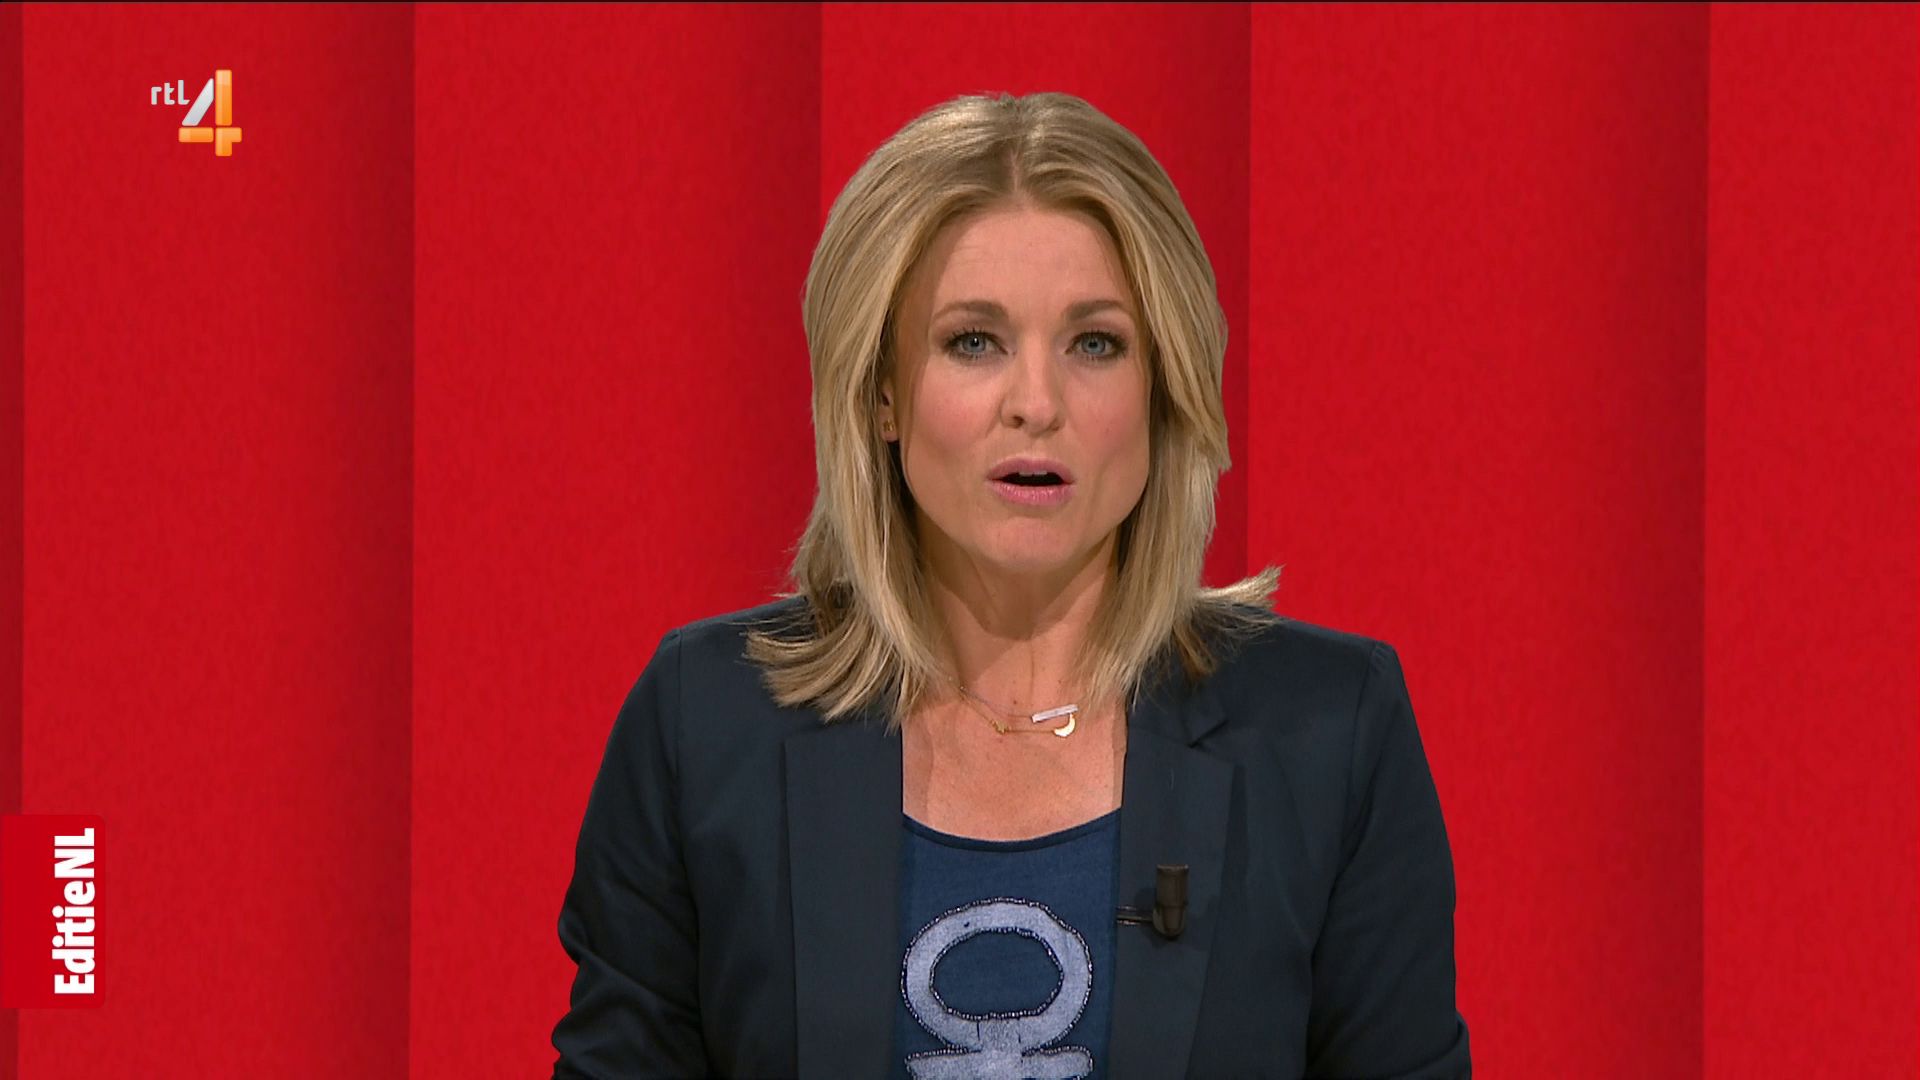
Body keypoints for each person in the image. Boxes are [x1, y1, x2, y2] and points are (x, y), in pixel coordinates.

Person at [550, 91, 1470, 1079]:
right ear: (883, 394)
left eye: (1095, 344)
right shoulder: (704, 724)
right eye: (974, 342)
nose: (1037, 403)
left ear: (1162, 389)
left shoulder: (1329, 733)